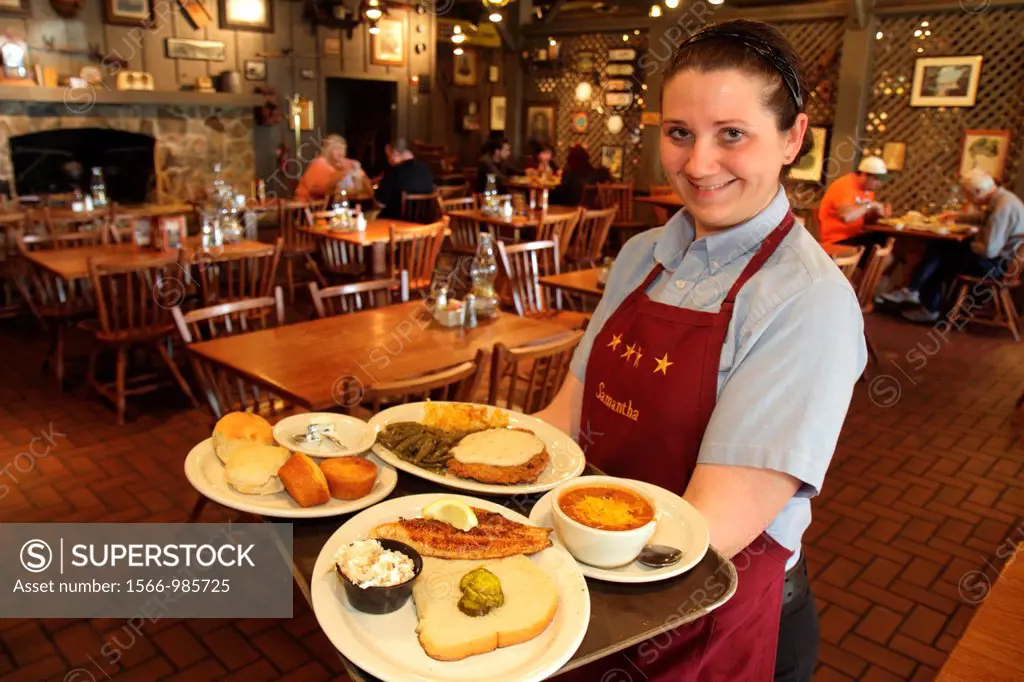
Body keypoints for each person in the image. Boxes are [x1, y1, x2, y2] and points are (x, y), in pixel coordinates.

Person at [533, 20, 865, 682]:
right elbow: (565, 421)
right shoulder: (639, 257)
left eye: (732, 135)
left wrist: (531, 560)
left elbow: (704, 535)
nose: (698, 163)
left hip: (713, 614)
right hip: (598, 579)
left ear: (793, 138)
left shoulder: (807, 303)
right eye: (679, 133)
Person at [882, 169, 1024, 322]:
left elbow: (989, 250)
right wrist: (957, 217)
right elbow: (983, 218)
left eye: (968, 194)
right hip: (1004, 262)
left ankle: (923, 301)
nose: (967, 199)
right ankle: (916, 293)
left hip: (997, 267)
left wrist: (971, 243)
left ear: (978, 191)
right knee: (942, 251)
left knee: (941, 253)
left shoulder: (1002, 208)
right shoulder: (1003, 199)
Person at [817, 155, 892, 249]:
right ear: (864, 175)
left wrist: (877, 213)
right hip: (837, 240)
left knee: (885, 240)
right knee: (882, 244)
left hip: (855, 236)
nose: (879, 183)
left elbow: (864, 218)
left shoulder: (868, 190)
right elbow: (846, 216)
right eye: (877, 179)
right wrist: (870, 205)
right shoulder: (844, 185)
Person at [294, 135, 371, 201]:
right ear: (329, 150)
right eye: (336, 149)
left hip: (334, 201)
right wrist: (344, 173)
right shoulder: (320, 163)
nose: (340, 152)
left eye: (342, 149)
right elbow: (316, 189)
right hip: (310, 205)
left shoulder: (347, 163)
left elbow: (368, 188)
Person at [374, 139, 435, 220]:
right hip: (426, 225)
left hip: (396, 225)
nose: (388, 160)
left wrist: (369, 186)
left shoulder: (394, 171)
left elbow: (380, 204)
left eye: (388, 156)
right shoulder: (425, 169)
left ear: (395, 154)